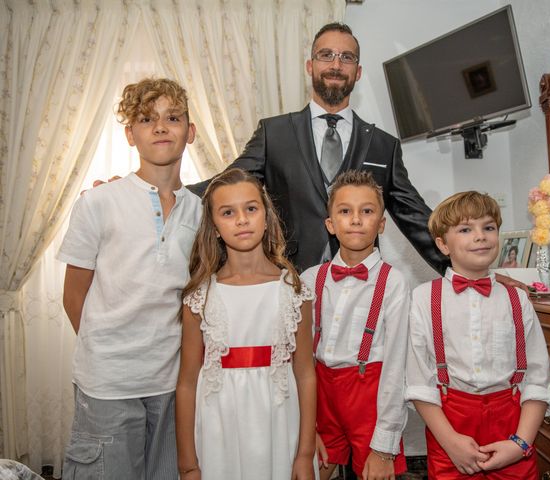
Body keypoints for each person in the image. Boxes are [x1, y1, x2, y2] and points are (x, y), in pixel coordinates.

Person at [188, 22, 449, 275]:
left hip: (363, 282)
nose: (336, 65)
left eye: (347, 57)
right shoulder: (273, 133)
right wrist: (167, 196)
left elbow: (414, 216)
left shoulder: (384, 145)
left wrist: (462, 265)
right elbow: (224, 186)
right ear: (310, 66)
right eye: (326, 55)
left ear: (357, 72)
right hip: (291, 276)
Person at [57, 78, 200, 479]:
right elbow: (74, 297)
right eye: (146, 119)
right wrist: (108, 354)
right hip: (107, 386)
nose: (160, 127)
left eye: (173, 118)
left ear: (190, 133)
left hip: (172, 385)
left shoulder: (201, 213)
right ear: (130, 134)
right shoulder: (98, 202)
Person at [176, 168, 317, 479]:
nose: (241, 219)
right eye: (228, 212)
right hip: (218, 429)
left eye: (250, 209)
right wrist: (188, 464)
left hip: (279, 423)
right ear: (213, 227)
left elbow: (305, 374)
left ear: (265, 217)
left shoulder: (295, 293)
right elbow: (186, 383)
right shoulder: (200, 299)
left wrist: (305, 453)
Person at [405, 191, 550, 479]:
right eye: (465, 229)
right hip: (450, 431)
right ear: (442, 244)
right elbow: (418, 382)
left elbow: (538, 378)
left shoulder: (518, 299)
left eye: (488, 227)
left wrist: (520, 443)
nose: (480, 236)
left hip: (512, 430)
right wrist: (450, 442)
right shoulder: (424, 299)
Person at [301, 170, 409, 480]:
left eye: (367, 211)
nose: (357, 219)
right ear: (331, 224)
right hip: (321, 399)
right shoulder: (310, 279)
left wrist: (384, 446)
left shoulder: (393, 283)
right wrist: (307, 427)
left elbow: (397, 367)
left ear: (382, 224)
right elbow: (300, 358)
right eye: (345, 211)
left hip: (371, 404)